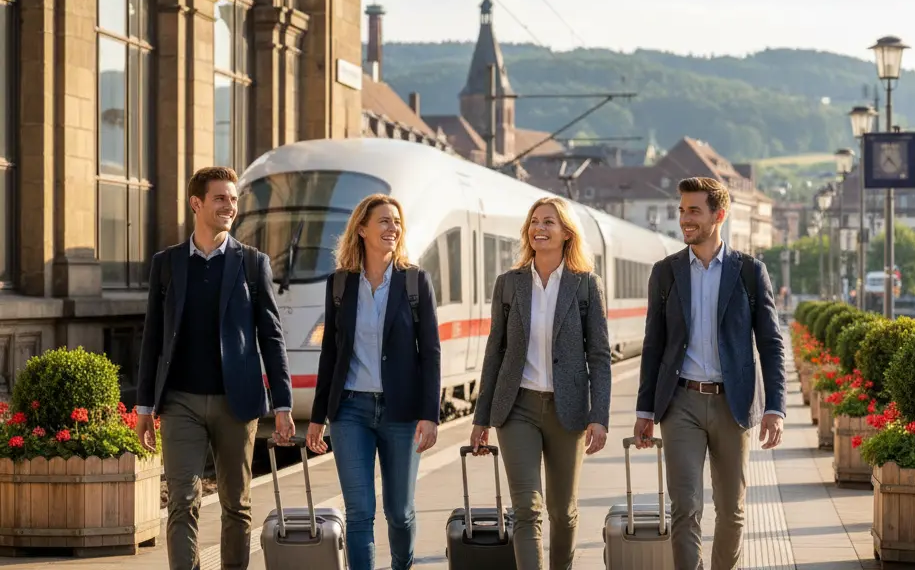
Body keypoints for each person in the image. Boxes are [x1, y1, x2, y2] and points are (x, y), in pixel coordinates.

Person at [136, 166, 296, 570]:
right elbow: (152, 338)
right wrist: (143, 408)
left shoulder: (252, 263)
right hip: (180, 402)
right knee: (182, 502)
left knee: (236, 505)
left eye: (233, 199)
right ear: (197, 203)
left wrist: (283, 404)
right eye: (221, 198)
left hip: (236, 402)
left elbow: (271, 338)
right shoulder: (167, 264)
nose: (230, 206)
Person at [633, 177, 786, 570]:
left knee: (731, 509)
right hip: (679, 401)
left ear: (719, 216)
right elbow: (654, 345)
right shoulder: (665, 273)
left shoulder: (750, 272)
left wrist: (776, 408)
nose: (685, 219)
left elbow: (770, 343)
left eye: (694, 211)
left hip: (731, 404)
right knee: (685, 507)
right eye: (682, 210)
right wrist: (645, 411)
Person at [470, 196, 612, 570]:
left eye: (549, 222)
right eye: (534, 221)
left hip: (569, 411)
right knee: (526, 509)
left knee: (562, 511)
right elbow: (495, 351)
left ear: (567, 233)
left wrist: (600, 415)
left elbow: (598, 355)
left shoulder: (585, 286)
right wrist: (481, 417)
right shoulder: (509, 284)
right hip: (517, 407)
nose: (539, 228)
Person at [305, 193, 441, 570]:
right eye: (384, 221)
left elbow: (430, 353)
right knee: (359, 512)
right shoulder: (339, 285)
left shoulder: (416, 282)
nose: (392, 228)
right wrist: (318, 417)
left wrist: (430, 414)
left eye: (396, 222)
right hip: (350, 411)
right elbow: (330, 354)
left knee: (399, 512)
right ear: (361, 229)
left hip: (402, 414)